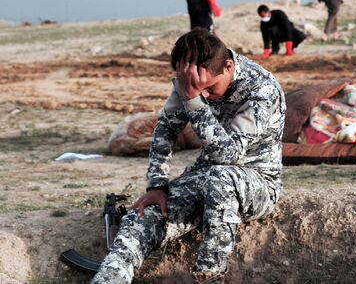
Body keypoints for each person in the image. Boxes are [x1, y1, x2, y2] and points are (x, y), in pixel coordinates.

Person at [91, 29, 285, 284]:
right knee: (141, 217)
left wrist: (193, 99)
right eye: (196, 89)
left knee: (220, 178)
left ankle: (210, 276)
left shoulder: (262, 90)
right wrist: (157, 185)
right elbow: (165, 131)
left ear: (228, 66)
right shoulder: (191, 81)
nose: (204, 96)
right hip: (206, 175)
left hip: (257, 182)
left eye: (210, 88)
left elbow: (228, 154)